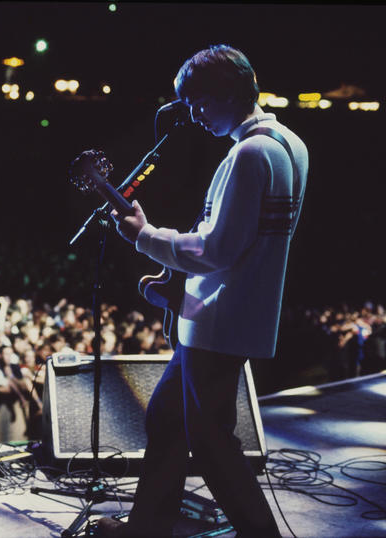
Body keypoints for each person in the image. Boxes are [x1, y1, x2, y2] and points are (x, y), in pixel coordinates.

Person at [97, 45, 308, 537]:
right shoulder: (291, 144)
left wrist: (144, 237)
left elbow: (215, 250)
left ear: (229, 93)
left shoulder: (249, 154)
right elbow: (250, 243)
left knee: (212, 446)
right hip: (230, 314)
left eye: (198, 101)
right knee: (168, 421)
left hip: (218, 321)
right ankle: (147, 527)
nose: (192, 114)